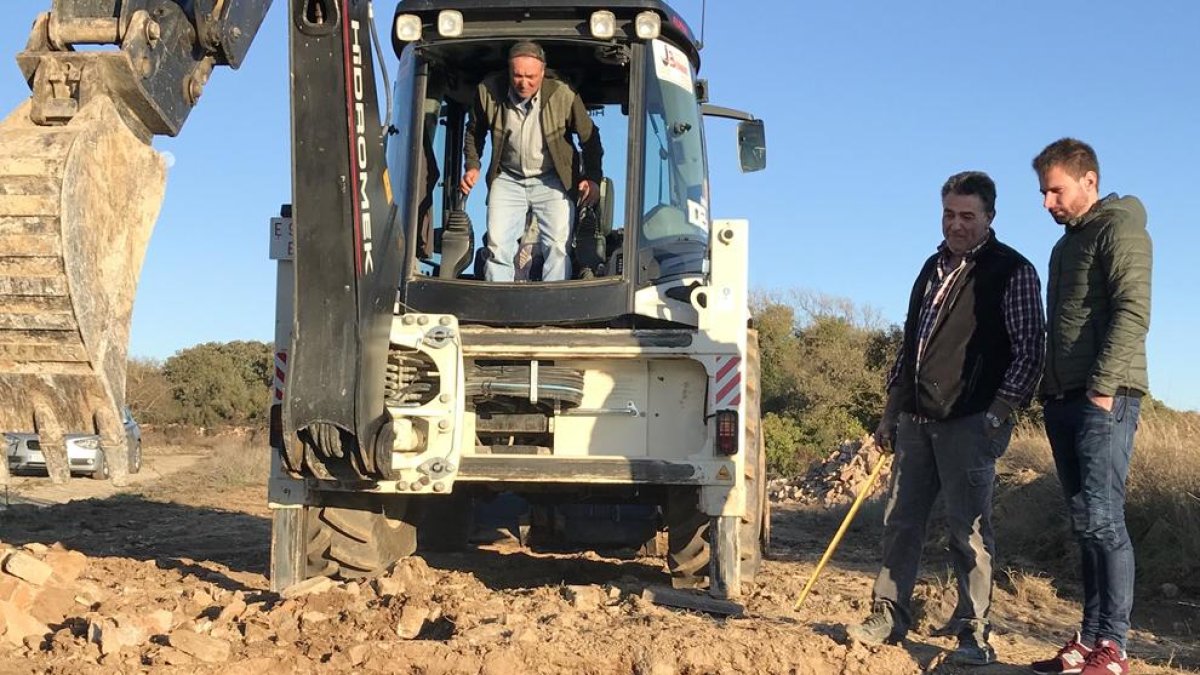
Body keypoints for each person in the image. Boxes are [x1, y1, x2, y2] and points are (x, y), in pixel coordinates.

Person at [847, 171, 1045, 666]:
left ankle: (973, 628)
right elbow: (909, 346)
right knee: (901, 520)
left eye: (967, 216)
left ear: (989, 218)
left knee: (968, 529)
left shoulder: (1012, 271)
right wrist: (891, 411)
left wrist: (998, 413)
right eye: (949, 214)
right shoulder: (930, 268)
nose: (956, 225)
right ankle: (888, 612)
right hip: (916, 419)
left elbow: (1030, 351)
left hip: (971, 420)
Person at [1028, 139, 1151, 675]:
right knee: (1084, 522)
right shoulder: (1064, 247)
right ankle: (1090, 639)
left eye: (1056, 190)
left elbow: (1133, 310)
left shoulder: (1118, 228)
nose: (1047, 202)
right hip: (1063, 398)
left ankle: (1115, 648)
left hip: (1105, 398)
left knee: (1103, 520)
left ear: (1089, 181)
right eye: (1043, 192)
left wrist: (1101, 390)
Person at [459, 40, 602, 282]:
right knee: (497, 246)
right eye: (517, 76)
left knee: (558, 246)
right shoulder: (488, 91)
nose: (523, 83)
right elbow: (474, 132)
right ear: (508, 71)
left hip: (552, 180)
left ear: (543, 73)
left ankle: (554, 306)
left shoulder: (562, 94)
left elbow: (590, 138)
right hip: (508, 178)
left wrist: (593, 179)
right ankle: (498, 306)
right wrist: (472, 165)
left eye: (530, 77)